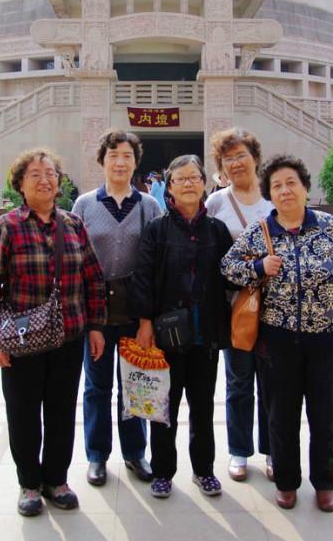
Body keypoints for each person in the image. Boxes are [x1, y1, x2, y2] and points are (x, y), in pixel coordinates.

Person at [221, 155, 333, 512]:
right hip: (278, 340)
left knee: (326, 414)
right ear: (269, 194)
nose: (285, 191)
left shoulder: (331, 227)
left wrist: (325, 301)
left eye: (291, 183)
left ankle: (326, 482)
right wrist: (258, 267)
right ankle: (286, 482)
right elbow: (228, 267)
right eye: (277, 186)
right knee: (280, 415)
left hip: (329, 339)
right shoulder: (261, 231)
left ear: (304, 187)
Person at [0, 148, 106, 516]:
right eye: (35, 174)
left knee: (62, 412)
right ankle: (29, 484)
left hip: (69, 336)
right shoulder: (7, 227)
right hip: (22, 341)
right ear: (20, 184)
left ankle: (56, 480)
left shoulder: (73, 225)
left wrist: (95, 326)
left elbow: (93, 278)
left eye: (50, 173)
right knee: (23, 414)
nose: (45, 180)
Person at [132, 155, 234, 499]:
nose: (189, 183)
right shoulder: (157, 229)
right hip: (166, 336)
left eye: (194, 177)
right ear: (170, 187)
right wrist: (145, 323)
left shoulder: (217, 230)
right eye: (181, 178)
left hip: (205, 336)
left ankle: (204, 470)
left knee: (203, 407)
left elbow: (229, 277)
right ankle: (163, 472)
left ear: (205, 184)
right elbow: (143, 278)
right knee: (165, 409)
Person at [72, 130, 161, 487]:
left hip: (135, 309)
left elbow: (155, 265)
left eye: (127, 156)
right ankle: (96, 456)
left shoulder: (149, 206)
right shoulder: (84, 205)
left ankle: (135, 452)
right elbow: (76, 261)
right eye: (113, 156)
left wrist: (148, 319)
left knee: (134, 384)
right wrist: (89, 320)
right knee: (97, 386)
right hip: (95, 309)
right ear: (102, 161)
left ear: (136, 162)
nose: (120, 162)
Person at [205, 127, 274, 483]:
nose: (235, 163)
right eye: (227, 158)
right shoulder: (216, 203)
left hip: (277, 309)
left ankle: (274, 450)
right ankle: (239, 451)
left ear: (255, 158)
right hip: (236, 309)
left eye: (241, 156)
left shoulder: (274, 199)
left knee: (275, 383)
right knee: (239, 381)